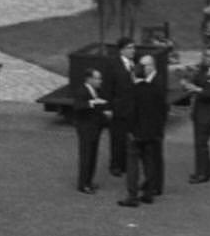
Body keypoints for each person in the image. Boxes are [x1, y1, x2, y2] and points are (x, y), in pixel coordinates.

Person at [117, 54, 168, 206]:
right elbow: (160, 110)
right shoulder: (154, 89)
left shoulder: (132, 91)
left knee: (133, 165)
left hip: (136, 133)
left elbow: (129, 113)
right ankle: (148, 193)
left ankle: (132, 195)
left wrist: (130, 130)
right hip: (151, 132)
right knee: (149, 163)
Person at [181, 43, 210, 182]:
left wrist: (197, 89)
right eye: (205, 55)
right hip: (199, 111)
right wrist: (187, 85)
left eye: (209, 56)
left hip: (209, 113)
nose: (206, 58)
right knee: (200, 143)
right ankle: (207, 170)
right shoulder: (202, 70)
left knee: (201, 143)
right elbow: (194, 83)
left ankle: (201, 173)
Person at [68, 65, 111, 193]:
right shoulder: (81, 91)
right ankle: (83, 184)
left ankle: (89, 181)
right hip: (86, 129)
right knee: (86, 156)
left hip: (95, 128)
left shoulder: (96, 90)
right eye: (97, 79)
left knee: (92, 156)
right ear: (89, 79)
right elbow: (78, 106)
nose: (100, 81)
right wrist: (93, 103)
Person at [105, 34, 140, 181]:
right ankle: (116, 165)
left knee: (130, 138)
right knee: (117, 138)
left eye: (133, 47)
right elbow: (107, 87)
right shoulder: (113, 65)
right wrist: (108, 107)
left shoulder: (136, 64)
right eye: (130, 48)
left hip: (133, 108)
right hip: (118, 108)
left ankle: (127, 163)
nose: (133, 50)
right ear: (121, 50)